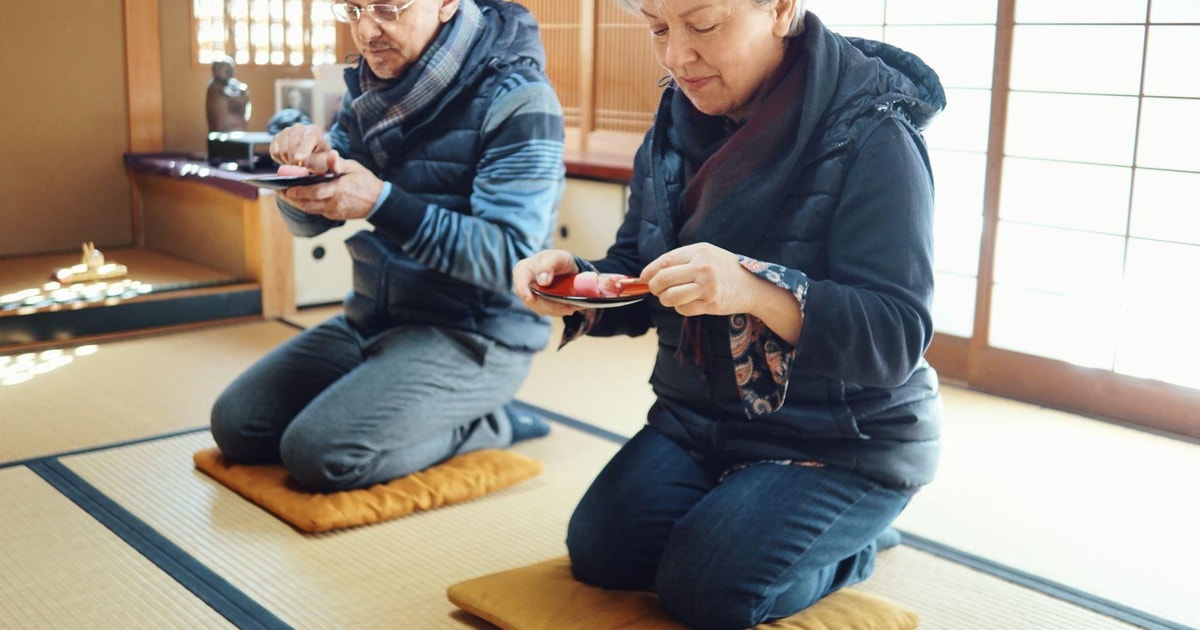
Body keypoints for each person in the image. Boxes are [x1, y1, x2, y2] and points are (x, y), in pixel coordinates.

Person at [513, 0, 945, 628]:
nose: (676, 55)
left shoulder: (875, 131)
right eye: (658, 28)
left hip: (838, 440)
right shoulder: (675, 118)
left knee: (706, 592)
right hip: (697, 420)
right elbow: (641, 263)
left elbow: (896, 335)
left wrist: (754, 289)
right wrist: (579, 283)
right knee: (603, 553)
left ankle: (853, 549)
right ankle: (748, 512)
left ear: (780, 8)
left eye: (704, 25)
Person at [210, 0, 565, 493]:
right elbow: (311, 227)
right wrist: (301, 178)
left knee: (319, 454)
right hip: (374, 317)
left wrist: (381, 202)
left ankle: (493, 423)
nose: (366, 29)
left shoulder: (518, 96)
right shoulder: (370, 90)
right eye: (352, 9)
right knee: (238, 425)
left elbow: (510, 259)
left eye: (386, 7)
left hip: (475, 336)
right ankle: (403, 399)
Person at [206, 55, 251, 132]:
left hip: (237, 129)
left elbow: (243, 95)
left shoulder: (233, 84)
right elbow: (232, 96)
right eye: (223, 68)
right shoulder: (214, 86)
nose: (228, 72)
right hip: (221, 130)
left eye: (229, 69)